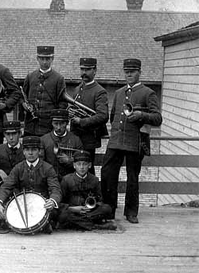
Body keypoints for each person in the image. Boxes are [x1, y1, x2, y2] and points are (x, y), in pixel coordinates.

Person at [101, 58, 162, 224]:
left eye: (132, 71)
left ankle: (131, 212)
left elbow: (158, 118)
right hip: (116, 141)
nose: (129, 74)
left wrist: (142, 115)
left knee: (132, 177)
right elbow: (114, 115)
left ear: (139, 72)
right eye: (126, 71)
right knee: (107, 173)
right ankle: (108, 209)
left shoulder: (148, 93)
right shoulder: (120, 93)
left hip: (135, 142)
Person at [0, 136, 62, 234]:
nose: (30, 153)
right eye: (27, 150)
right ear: (23, 152)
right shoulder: (18, 168)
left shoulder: (47, 168)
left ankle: (47, 223)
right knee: (1, 211)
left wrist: (52, 201)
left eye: (34, 150)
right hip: (23, 205)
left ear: (39, 151)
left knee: (62, 212)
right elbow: (7, 186)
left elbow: (55, 188)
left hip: (43, 205)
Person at [58, 150, 116, 231]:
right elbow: (60, 202)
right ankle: (95, 225)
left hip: (89, 212)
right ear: (74, 165)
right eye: (78, 164)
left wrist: (93, 206)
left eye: (85, 164)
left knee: (107, 208)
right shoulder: (66, 180)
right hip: (73, 210)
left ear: (90, 165)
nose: (82, 167)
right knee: (63, 215)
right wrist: (73, 209)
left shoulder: (94, 180)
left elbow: (100, 200)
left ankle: (78, 223)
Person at [69, 58, 109, 175]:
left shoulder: (99, 91)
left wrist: (81, 121)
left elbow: (103, 116)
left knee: (87, 170)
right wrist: (71, 114)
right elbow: (74, 111)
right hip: (76, 137)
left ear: (95, 70)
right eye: (82, 69)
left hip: (89, 138)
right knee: (76, 170)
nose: (84, 73)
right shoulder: (77, 89)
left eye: (88, 69)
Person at [21, 46, 67, 136]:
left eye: (47, 58)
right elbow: (22, 96)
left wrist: (55, 120)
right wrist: (24, 104)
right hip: (30, 126)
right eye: (42, 58)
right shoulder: (30, 76)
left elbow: (63, 103)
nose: (44, 62)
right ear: (37, 58)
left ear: (52, 58)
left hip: (48, 127)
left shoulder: (59, 79)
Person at [41, 109, 83, 180]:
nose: (58, 127)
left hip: (70, 180)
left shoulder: (76, 140)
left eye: (62, 123)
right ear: (51, 123)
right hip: (50, 180)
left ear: (67, 123)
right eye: (55, 124)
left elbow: (82, 164)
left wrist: (70, 161)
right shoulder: (44, 140)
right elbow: (40, 164)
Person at [0, 121, 25, 185]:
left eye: (14, 133)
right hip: (2, 185)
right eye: (8, 134)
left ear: (20, 134)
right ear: (4, 134)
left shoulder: (26, 150)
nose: (11, 138)